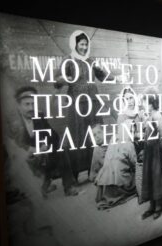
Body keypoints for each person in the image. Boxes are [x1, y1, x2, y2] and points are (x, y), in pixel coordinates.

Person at [54, 30, 112, 181]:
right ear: (75, 44)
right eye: (81, 44)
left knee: (96, 135)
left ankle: (95, 171)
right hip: (77, 104)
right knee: (77, 137)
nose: (84, 47)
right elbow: (57, 82)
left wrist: (111, 74)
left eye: (86, 44)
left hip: (93, 102)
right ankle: (76, 174)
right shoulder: (68, 60)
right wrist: (66, 78)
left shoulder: (91, 60)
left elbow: (104, 77)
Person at [8, 86, 79, 197]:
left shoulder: (39, 116)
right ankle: (42, 184)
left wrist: (46, 144)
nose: (31, 108)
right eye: (27, 104)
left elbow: (53, 135)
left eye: (33, 104)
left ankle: (68, 186)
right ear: (18, 106)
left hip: (42, 155)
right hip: (23, 160)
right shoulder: (12, 122)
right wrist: (30, 149)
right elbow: (11, 144)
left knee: (61, 149)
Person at [94, 87, 144, 209]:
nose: (130, 101)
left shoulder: (140, 113)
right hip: (128, 144)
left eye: (131, 98)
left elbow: (143, 130)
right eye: (126, 99)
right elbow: (122, 136)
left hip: (138, 143)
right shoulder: (122, 116)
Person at [141, 89, 162, 220]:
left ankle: (158, 206)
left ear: (152, 103)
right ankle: (151, 206)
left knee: (156, 177)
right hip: (148, 152)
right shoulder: (148, 116)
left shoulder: (158, 116)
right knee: (148, 177)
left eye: (146, 102)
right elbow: (145, 135)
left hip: (156, 152)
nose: (144, 105)